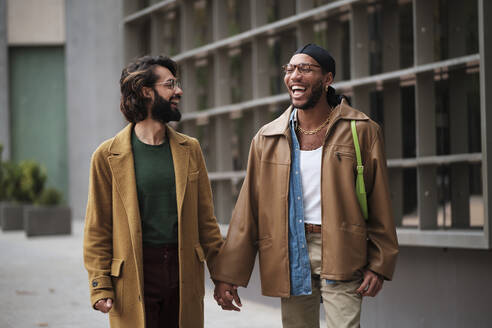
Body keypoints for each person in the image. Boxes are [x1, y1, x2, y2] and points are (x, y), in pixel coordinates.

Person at [212, 44, 399, 327]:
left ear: (327, 79)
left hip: (344, 248)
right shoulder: (268, 137)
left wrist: (380, 263)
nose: (294, 76)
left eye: (305, 69)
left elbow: (379, 201)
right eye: (290, 69)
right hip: (289, 250)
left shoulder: (361, 130)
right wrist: (229, 274)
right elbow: (247, 210)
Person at [83, 55, 223, 328]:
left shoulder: (190, 149)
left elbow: (207, 222)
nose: (179, 91)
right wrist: (100, 285)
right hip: (134, 273)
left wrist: (223, 277)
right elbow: (98, 228)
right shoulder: (106, 155)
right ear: (146, 91)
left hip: (183, 272)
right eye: (170, 85)